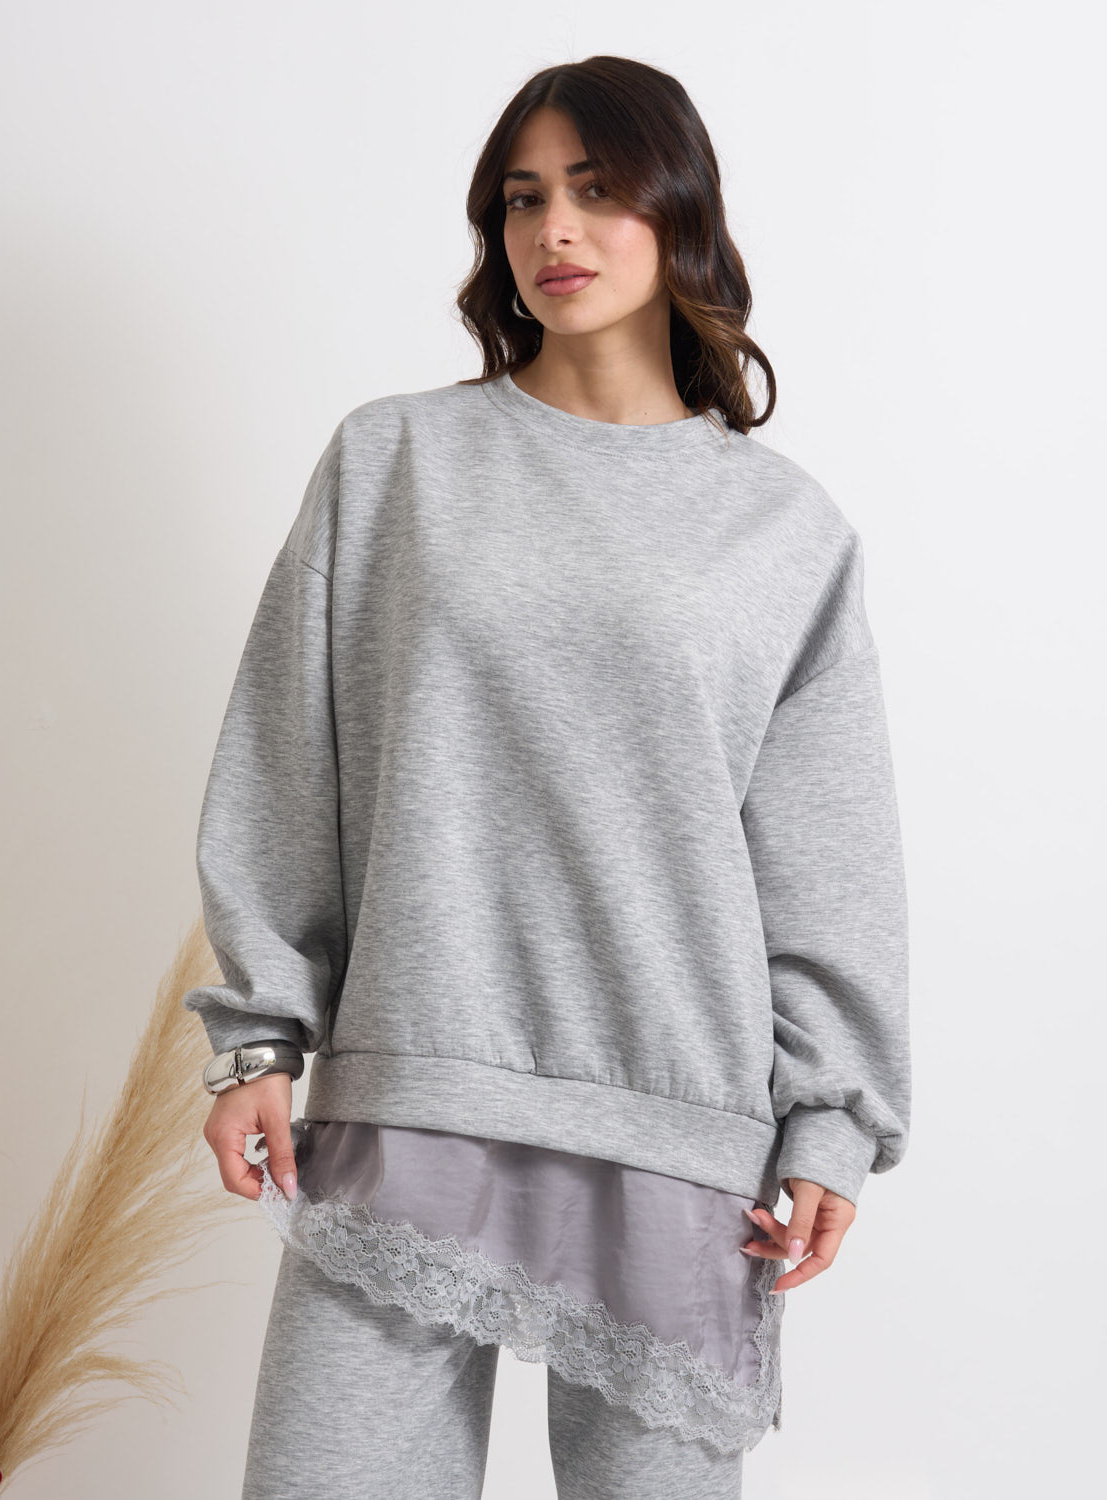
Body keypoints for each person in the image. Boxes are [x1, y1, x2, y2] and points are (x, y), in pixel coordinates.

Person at [181, 53, 911, 1500]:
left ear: (679, 211)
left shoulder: (784, 531)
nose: (553, 231)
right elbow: (286, 762)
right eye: (523, 199)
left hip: (674, 1120)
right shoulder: (396, 461)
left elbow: (829, 860)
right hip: (417, 1082)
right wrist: (260, 1041)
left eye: (595, 189)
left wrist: (833, 1118)